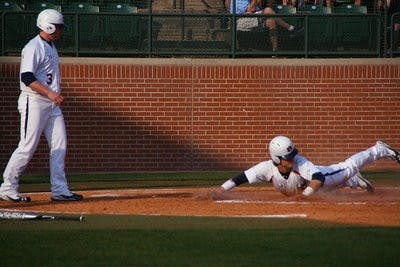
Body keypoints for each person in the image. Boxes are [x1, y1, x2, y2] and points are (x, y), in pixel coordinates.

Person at [0, 9, 83, 202]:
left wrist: (51, 95)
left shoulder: (50, 46)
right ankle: (7, 187)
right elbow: (26, 77)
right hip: (34, 101)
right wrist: (50, 93)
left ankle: (59, 189)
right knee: (27, 146)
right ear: (50, 26)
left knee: (59, 144)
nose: (61, 31)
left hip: (51, 104)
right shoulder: (33, 47)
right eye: (59, 27)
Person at [213, 136, 400, 198]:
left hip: (325, 177)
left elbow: (318, 178)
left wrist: (304, 197)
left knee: (349, 165)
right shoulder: (266, 168)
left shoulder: (300, 163)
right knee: (332, 192)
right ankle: (353, 181)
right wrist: (220, 190)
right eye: (287, 157)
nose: (292, 159)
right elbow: (240, 178)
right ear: (276, 158)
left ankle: (379, 149)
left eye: (292, 155)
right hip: (316, 190)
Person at [226, 0, 300, 52]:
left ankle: (275, 51)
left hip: (251, 19)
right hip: (240, 21)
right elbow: (251, 10)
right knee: (268, 10)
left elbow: (256, 9)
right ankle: (291, 28)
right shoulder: (238, 2)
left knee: (271, 21)